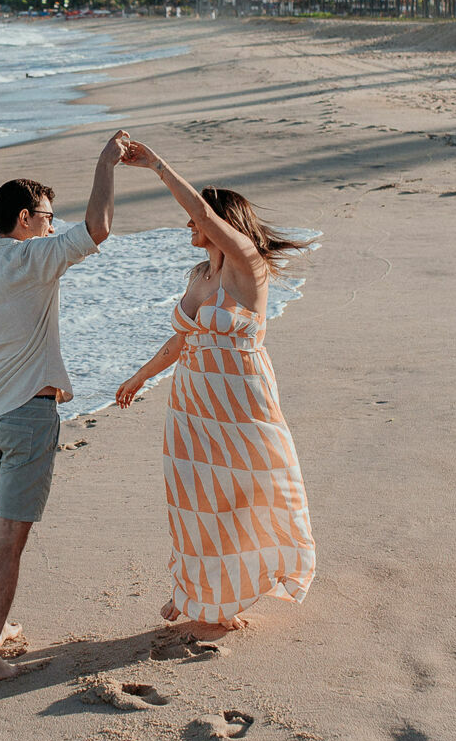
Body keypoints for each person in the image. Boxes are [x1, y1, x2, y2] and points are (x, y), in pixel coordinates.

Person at [113, 140, 317, 633]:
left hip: (242, 397)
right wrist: (139, 377)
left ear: (220, 224)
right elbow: (181, 340)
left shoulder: (249, 265)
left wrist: (158, 166)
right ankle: (194, 590)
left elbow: (199, 208)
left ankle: (235, 589)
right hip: (193, 401)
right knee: (194, 497)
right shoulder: (201, 274)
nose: (189, 225)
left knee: (250, 489)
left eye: (198, 220)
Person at [0, 129, 130, 681]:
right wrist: (106, 161)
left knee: (2, 529)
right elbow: (98, 229)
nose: (52, 224)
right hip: (25, 416)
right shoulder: (29, 259)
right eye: (47, 215)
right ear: (24, 219)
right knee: (10, 538)